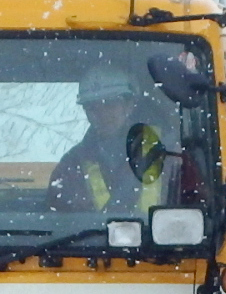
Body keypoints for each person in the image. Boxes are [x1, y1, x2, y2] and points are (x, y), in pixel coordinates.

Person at [48, 65, 166, 213]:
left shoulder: (169, 153)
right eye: (92, 107)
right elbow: (59, 222)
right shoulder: (71, 165)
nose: (101, 113)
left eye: (109, 104)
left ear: (129, 105)